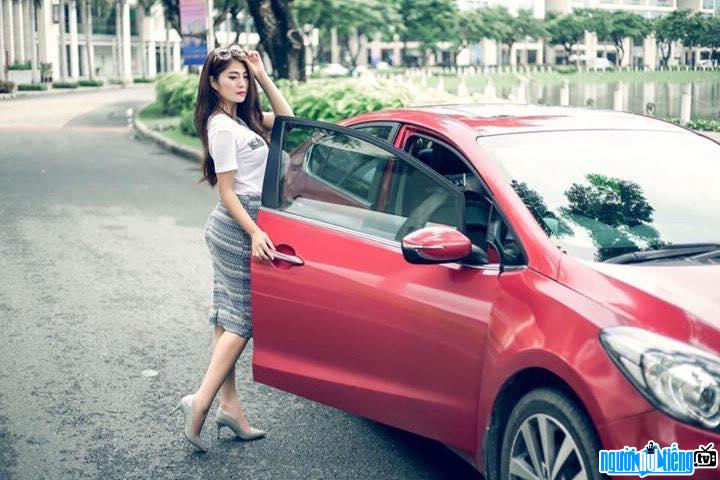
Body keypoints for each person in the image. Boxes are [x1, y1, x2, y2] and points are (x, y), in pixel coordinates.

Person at [170, 44, 293, 452]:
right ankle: (201, 402)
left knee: (227, 318)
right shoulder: (221, 127)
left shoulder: (246, 121)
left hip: (246, 223)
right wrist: (256, 232)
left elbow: (291, 122)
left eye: (243, 77)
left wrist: (261, 73)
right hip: (236, 226)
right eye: (232, 77)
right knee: (243, 321)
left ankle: (231, 410)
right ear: (213, 82)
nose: (240, 84)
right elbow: (227, 192)